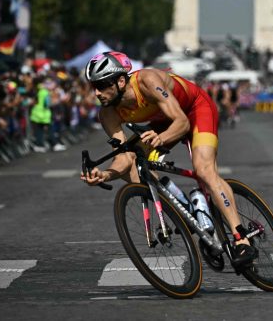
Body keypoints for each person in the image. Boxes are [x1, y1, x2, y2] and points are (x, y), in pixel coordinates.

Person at [79, 51, 257, 266]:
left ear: (120, 80)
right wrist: (104, 175)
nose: (97, 92)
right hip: (162, 123)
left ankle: (241, 240)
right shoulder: (108, 114)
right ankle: (189, 208)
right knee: (136, 168)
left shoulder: (147, 81)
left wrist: (161, 138)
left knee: (204, 170)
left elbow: (182, 123)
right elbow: (124, 158)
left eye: (102, 85)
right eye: (93, 86)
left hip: (194, 110)